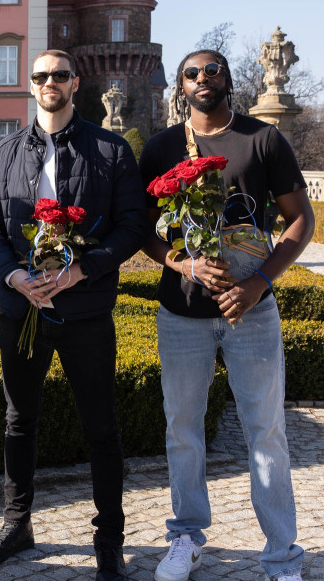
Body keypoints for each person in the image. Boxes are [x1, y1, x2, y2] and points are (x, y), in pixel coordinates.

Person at [138, 50, 313, 581]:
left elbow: (300, 220)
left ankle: (282, 557)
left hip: (252, 312)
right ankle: (186, 539)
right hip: (182, 312)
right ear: (181, 86)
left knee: (266, 432)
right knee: (183, 429)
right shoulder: (163, 147)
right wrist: (180, 262)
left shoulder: (262, 139)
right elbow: (141, 229)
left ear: (228, 79)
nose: (202, 80)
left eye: (212, 71)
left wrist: (260, 284)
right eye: (191, 73)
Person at [0, 50, 147, 581]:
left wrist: (82, 271)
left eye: (59, 75)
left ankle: (109, 540)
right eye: (40, 76)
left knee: (101, 427)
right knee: (18, 420)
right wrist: (14, 277)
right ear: (30, 86)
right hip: (22, 309)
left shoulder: (111, 150)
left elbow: (132, 226)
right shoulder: (4, 153)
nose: (50, 83)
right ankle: (17, 522)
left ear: (76, 83)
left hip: (86, 310)